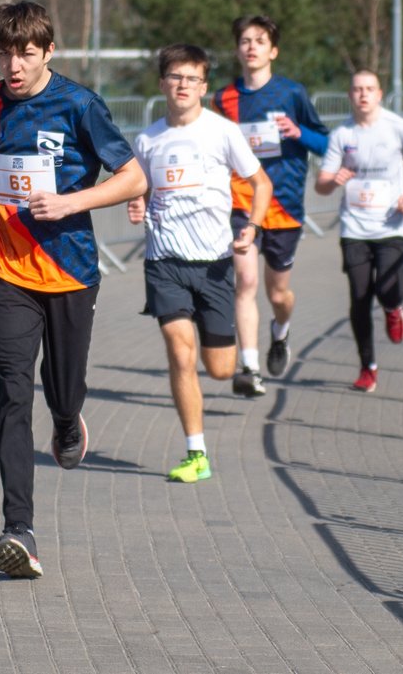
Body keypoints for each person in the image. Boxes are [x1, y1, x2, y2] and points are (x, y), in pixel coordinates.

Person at [0, 1, 147, 578]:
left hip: (69, 268)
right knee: (12, 388)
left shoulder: (79, 105)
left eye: (25, 53)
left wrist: (70, 201)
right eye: (4, 52)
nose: (14, 65)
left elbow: (133, 176)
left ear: (48, 52)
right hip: (8, 269)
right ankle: (19, 528)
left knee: (61, 388)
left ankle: (68, 421)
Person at [128, 44, 272, 481]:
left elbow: (259, 183)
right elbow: (140, 188)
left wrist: (252, 227)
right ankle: (196, 453)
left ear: (203, 86)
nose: (183, 85)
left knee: (220, 368)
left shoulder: (222, 132)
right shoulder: (148, 139)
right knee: (179, 350)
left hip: (213, 264)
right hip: (165, 261)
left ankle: (235, 365)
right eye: (175, 77)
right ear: (162, 84)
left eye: (192, 78)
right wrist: (137, 202)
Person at [213, 15, 329, 397]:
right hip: (241, 203)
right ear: (237, 49)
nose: (251, 46)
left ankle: (280, 332)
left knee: (278, 293)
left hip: (284, 204)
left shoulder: (292, 94)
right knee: (244, 281)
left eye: (259, 41)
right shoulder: (224, 99)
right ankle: (249, 367)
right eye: (245, 40)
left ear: (272, 50)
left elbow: (328, 145)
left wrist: (299, 133)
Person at [315, 70, 403, 392]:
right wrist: (334, 180)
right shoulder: (341, 134)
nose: (363, 95)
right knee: (359, 298)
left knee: (388, 290)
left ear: (380, 94)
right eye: (357, 90)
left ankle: (394, 308)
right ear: (350, 96)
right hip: (354, 229)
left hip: (391, 226)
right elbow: (321, 186)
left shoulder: (396, 127)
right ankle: (367, 366)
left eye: (369, 89)